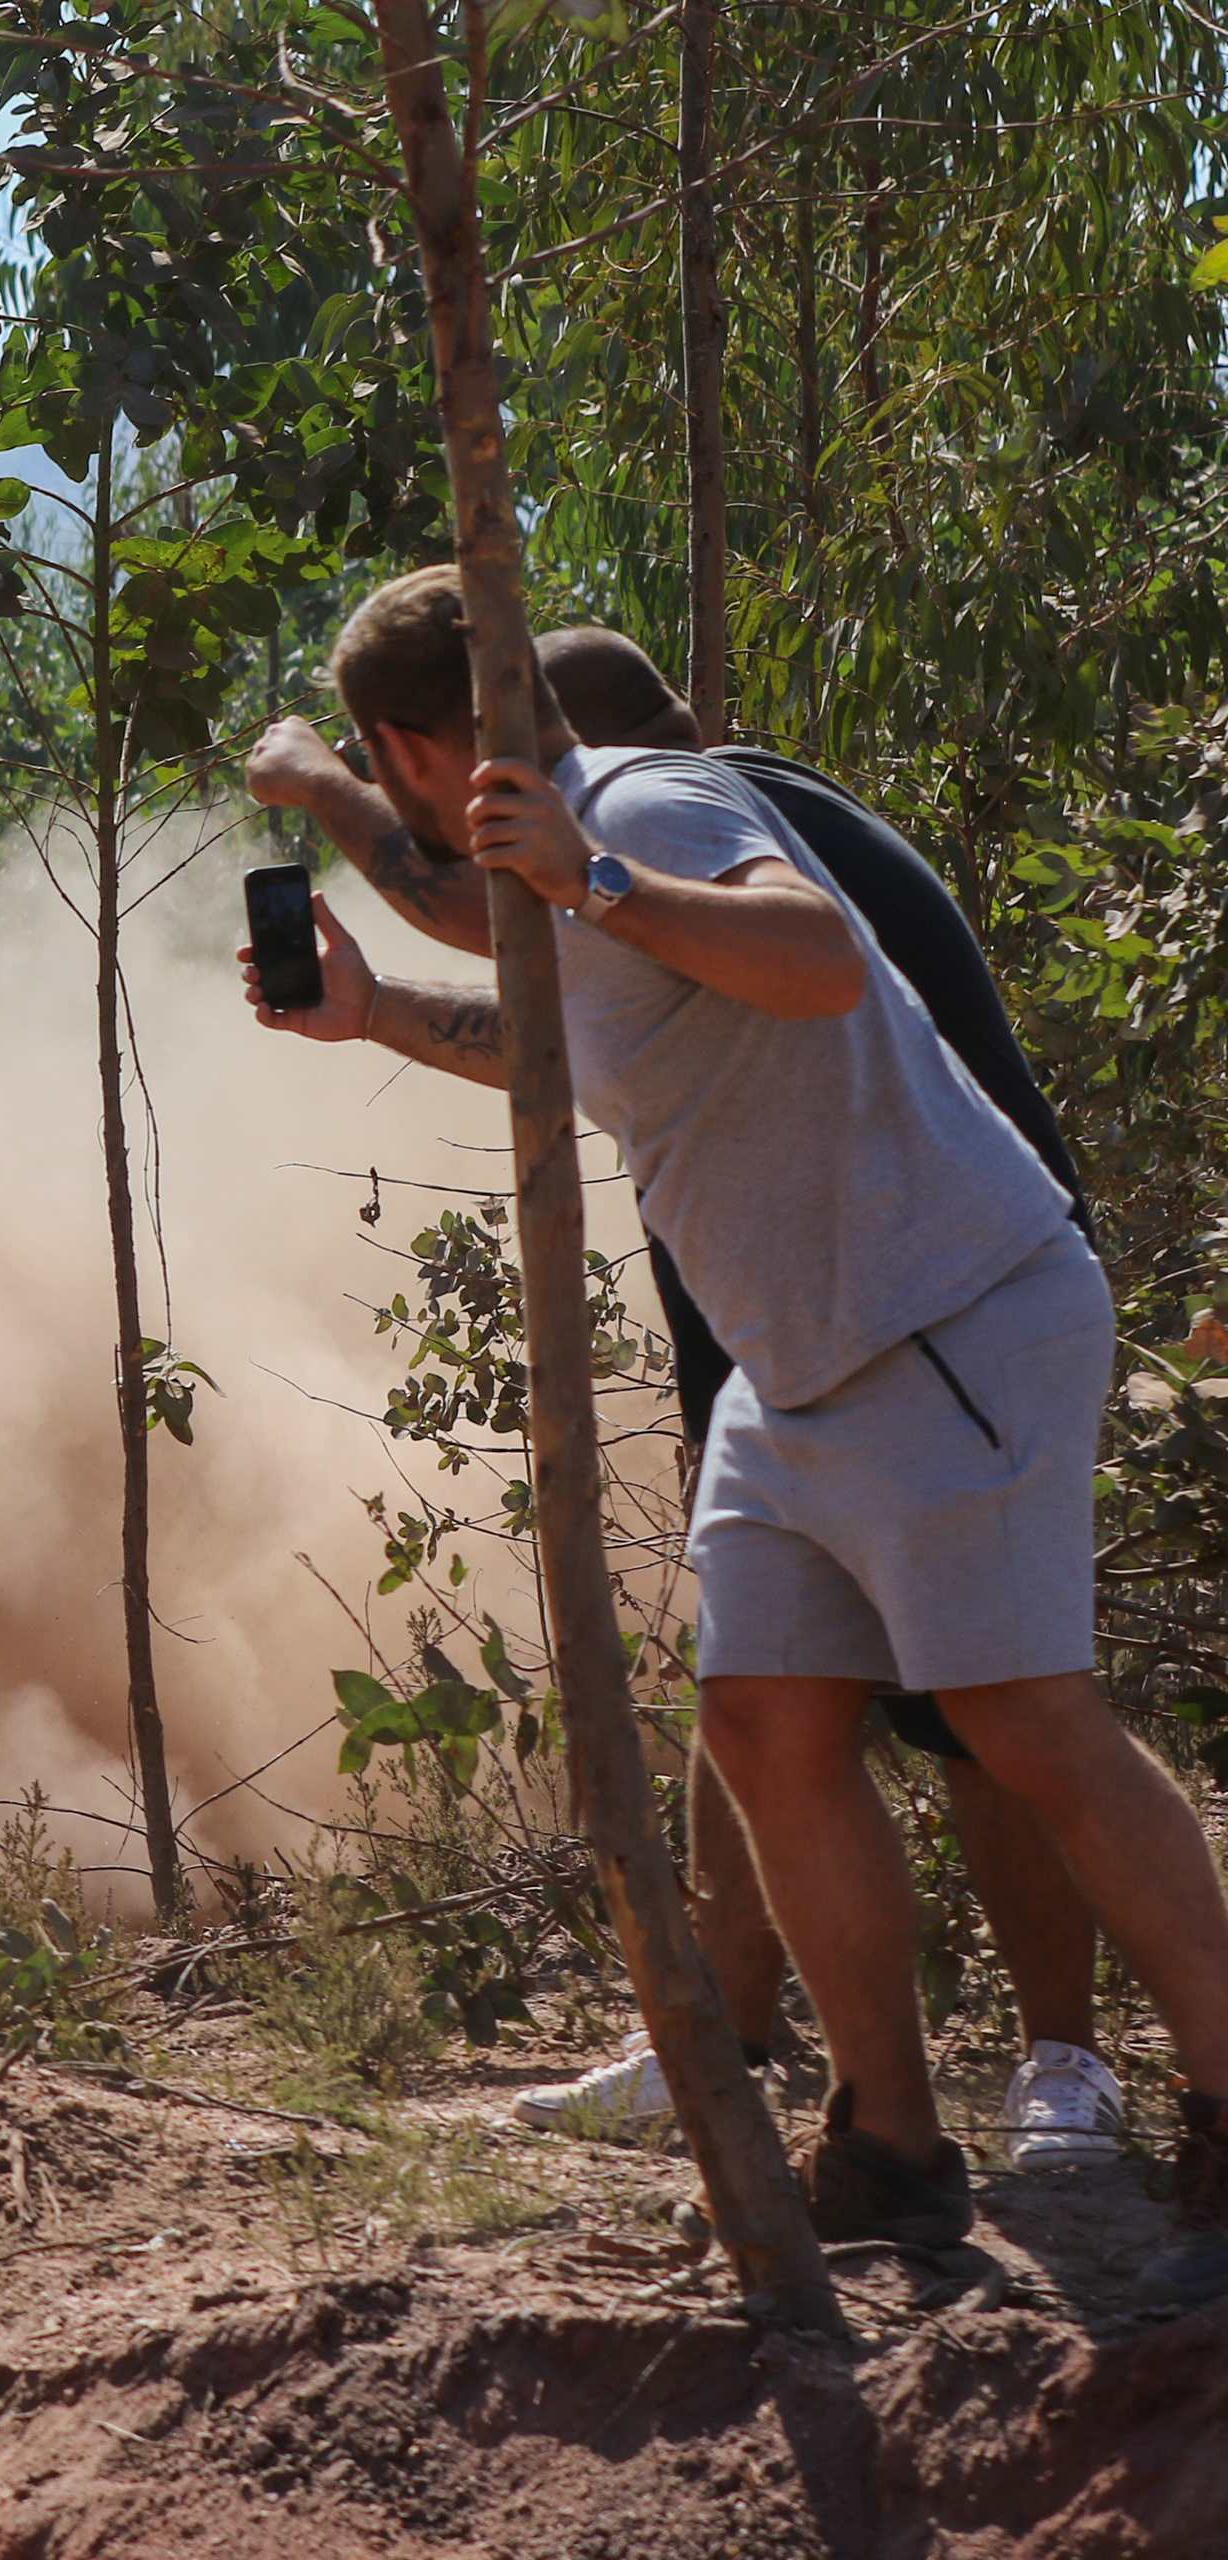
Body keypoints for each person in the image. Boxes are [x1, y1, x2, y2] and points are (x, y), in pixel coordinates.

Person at [239, 564, 1228, 2296]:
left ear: (404, 745)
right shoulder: (561, 861)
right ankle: (894, 2145)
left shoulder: (649, 803)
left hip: (947, 1314)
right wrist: (380, 1015)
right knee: (767, 1725)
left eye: (377, 776)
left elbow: (819, 958)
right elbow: (574, 1025)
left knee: (1025, 1725)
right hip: (807, 1361)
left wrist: (598, 874)